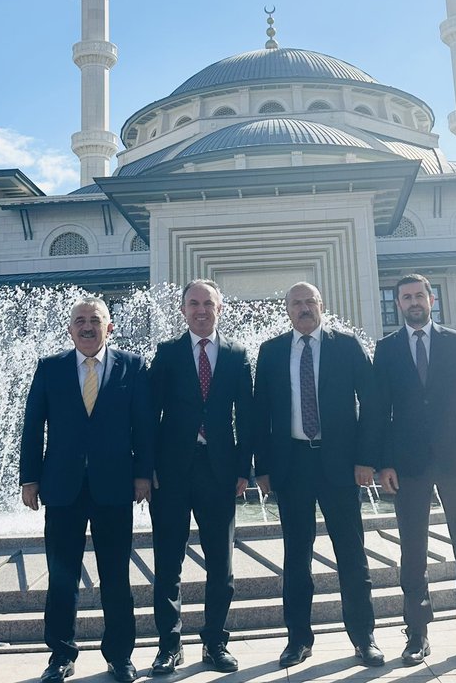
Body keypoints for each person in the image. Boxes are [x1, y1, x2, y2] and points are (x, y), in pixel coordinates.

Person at [20, 296, 153, 683]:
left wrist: (143, 474)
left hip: (114, 486)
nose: (87, 327)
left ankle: (120, 656)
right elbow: (33, 426)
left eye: (95, 320)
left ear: (109, 327)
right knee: (61, 577)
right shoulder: (50, 368)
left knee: (116, 577)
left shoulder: (132, 365)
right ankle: (60, 655)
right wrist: (30, 478)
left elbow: (143, 426)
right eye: (79, 320)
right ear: (70, 329)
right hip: (61, 487)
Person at [254, 282, 384, 669]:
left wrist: (366, 458)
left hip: (342, 464)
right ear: (287, 310)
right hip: (292, 466)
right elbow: (260, 413)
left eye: (310, 301)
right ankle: (297, 640)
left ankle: (363, 637)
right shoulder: (272, 351)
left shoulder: (346, 345)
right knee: (296, 557)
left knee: (352, 555)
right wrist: (263, 468)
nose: (304, 308)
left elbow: (373, 402)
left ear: (321, 306)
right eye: (296, 303)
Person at [373, 273, 456, 668]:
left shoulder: (455, 342)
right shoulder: (387, 348)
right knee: (412, 552)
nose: (413, 302)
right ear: (398, 304)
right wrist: (382, 463)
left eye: (418, 296)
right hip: (407, 465)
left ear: (432, 299)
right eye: (405, 297)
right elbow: (378, 410)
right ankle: (416, 634)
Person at [148, 280, 253, 675]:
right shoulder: (167, 354)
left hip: (220, 471)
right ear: (183, 310)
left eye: (208, 303)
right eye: (193, 304)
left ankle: (215, 642)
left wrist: (245, 469)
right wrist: (147, 469)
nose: (201, 310)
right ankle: (169, 646)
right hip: (171, 473)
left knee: (221, 565)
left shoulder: (236, 354)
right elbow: (149, 414)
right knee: (168, 564)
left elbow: (247, 416)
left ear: (219, 308)